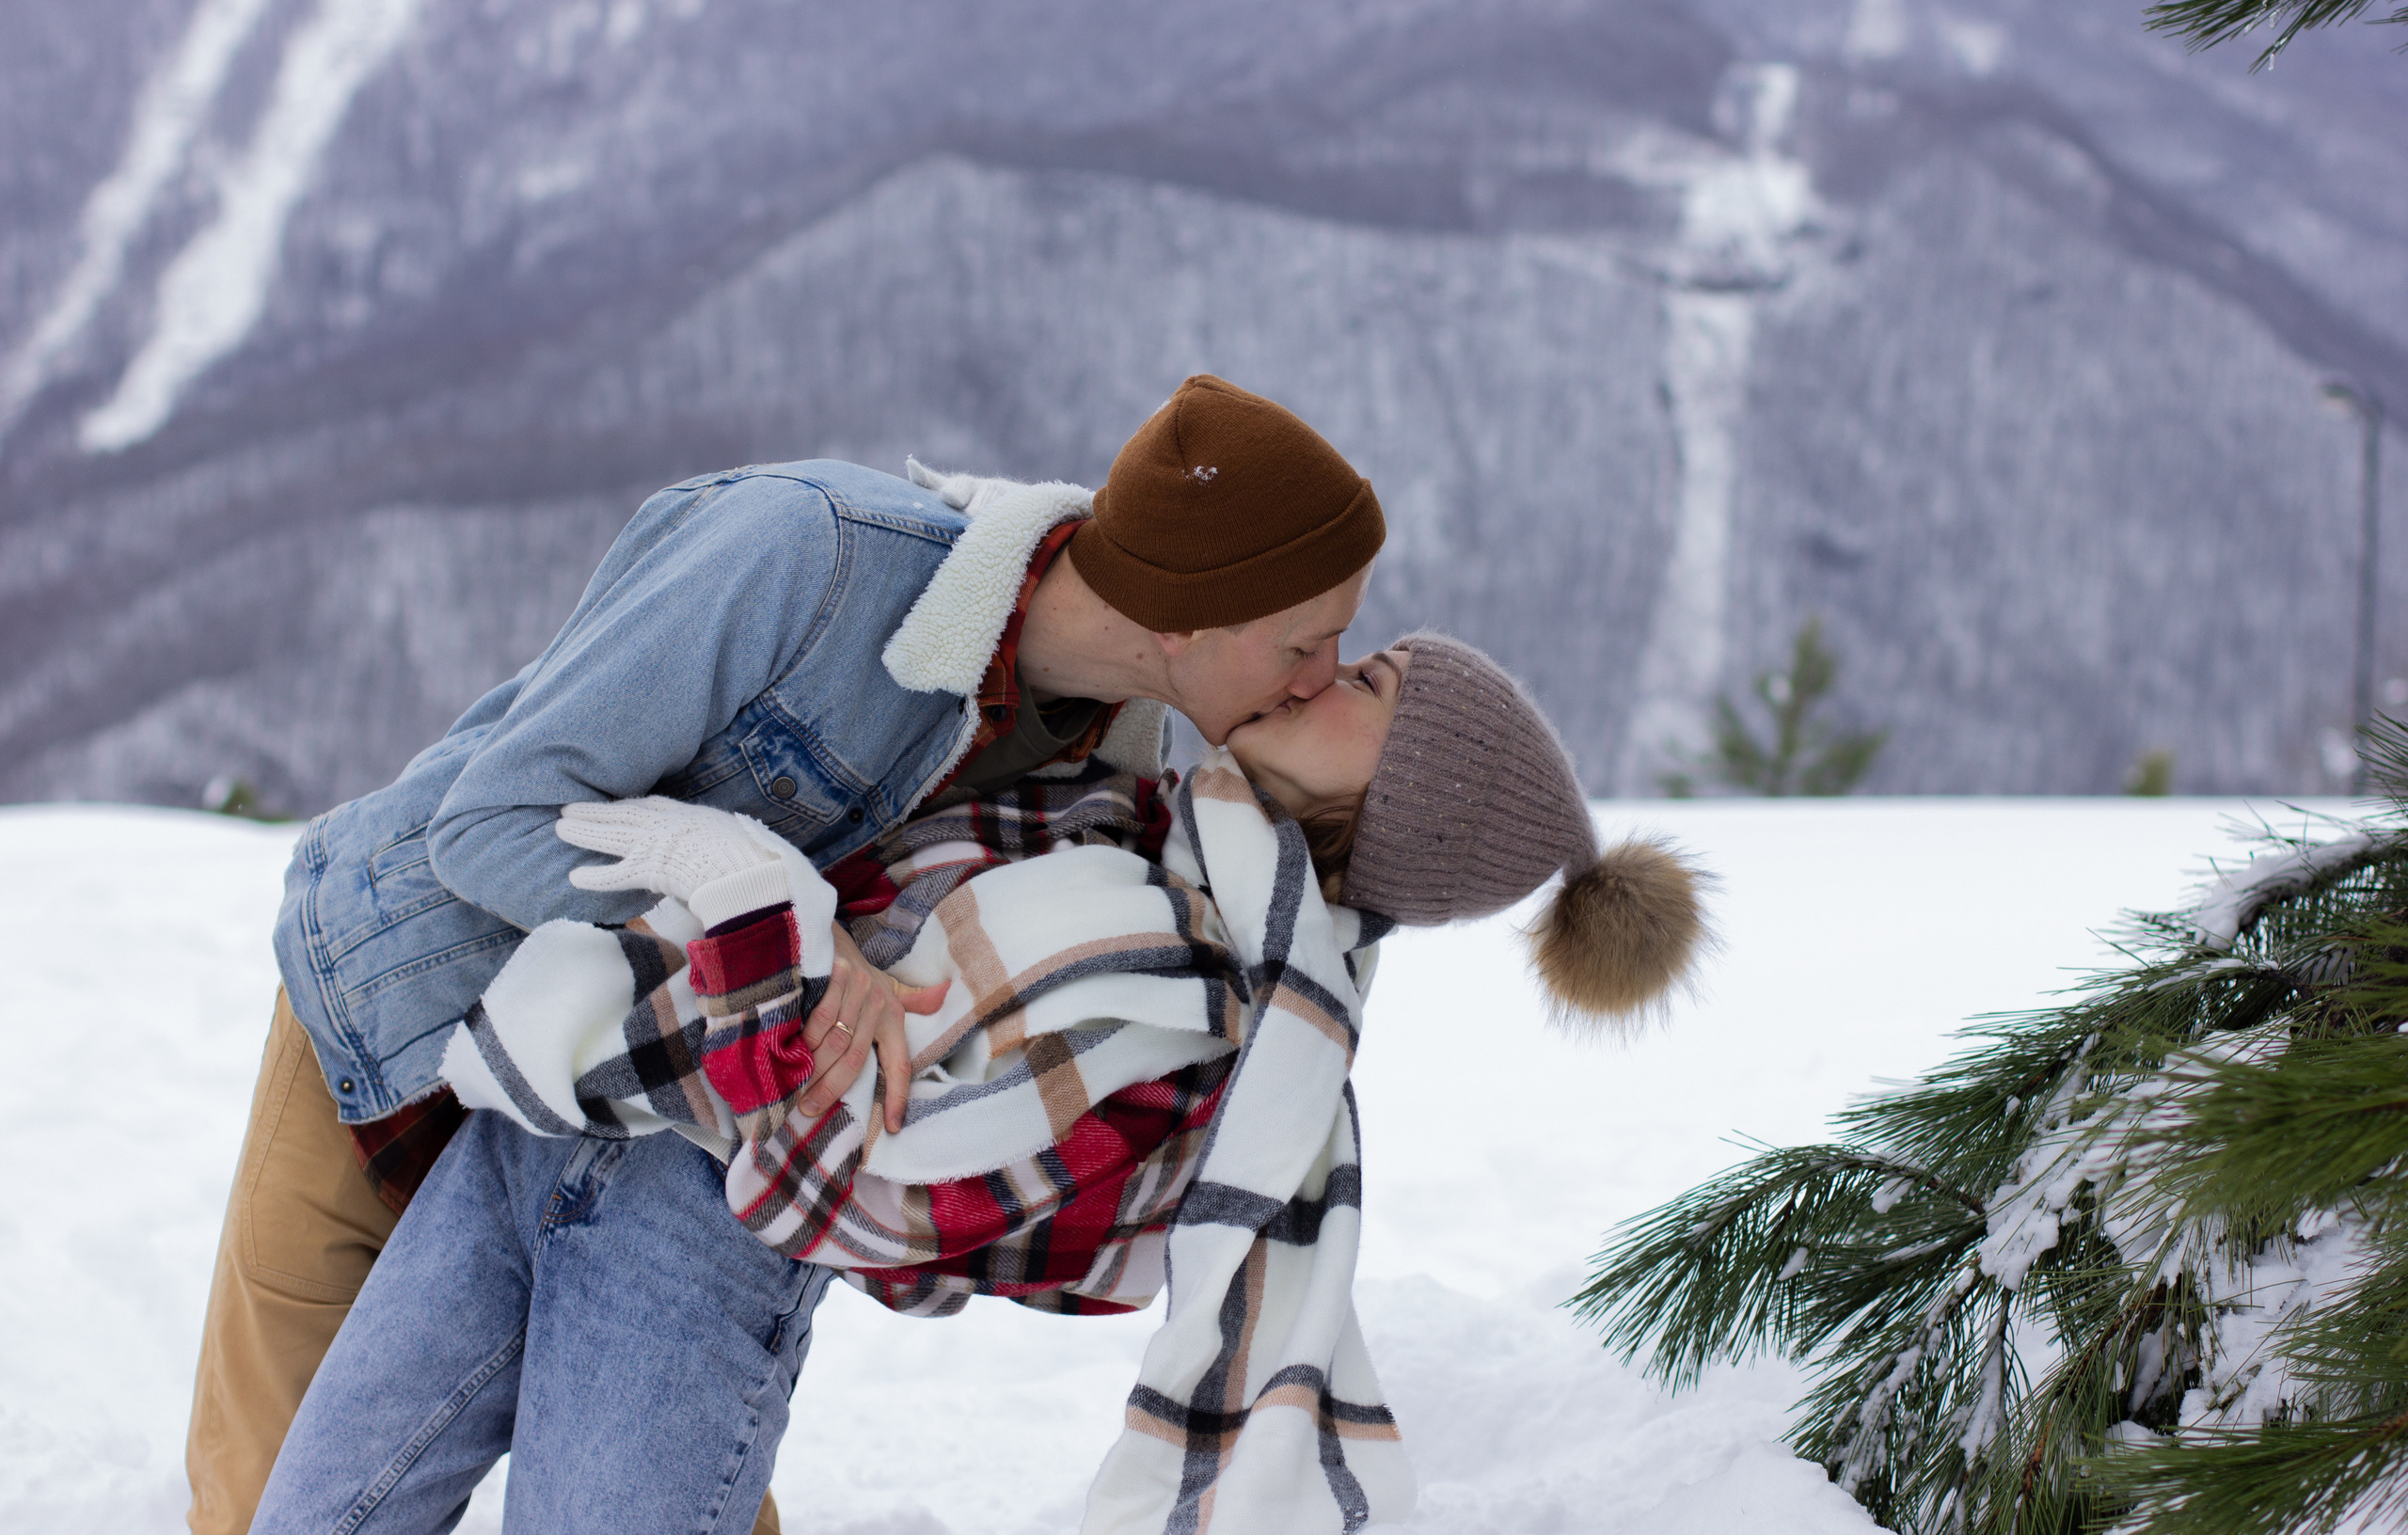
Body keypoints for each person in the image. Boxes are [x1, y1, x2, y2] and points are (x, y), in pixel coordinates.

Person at [187, 373, 1390, 1535]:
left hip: (635, 1112)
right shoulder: (807, 557)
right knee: (266, 1505)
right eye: (1306, 645)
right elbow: (486, 831)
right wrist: (781, 930)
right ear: (1186, 617)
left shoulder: (1096, 773)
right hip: (412, 1007)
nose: (1320, 678)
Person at [248, 627, 1708, 1533]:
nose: (1322, 665)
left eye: (1369, 681)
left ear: (1399, 802)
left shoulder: (1188, 985)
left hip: (691, 1229)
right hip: (555, 1132)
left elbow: (853, 1149)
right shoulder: (1151, 819)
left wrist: (754, 901)